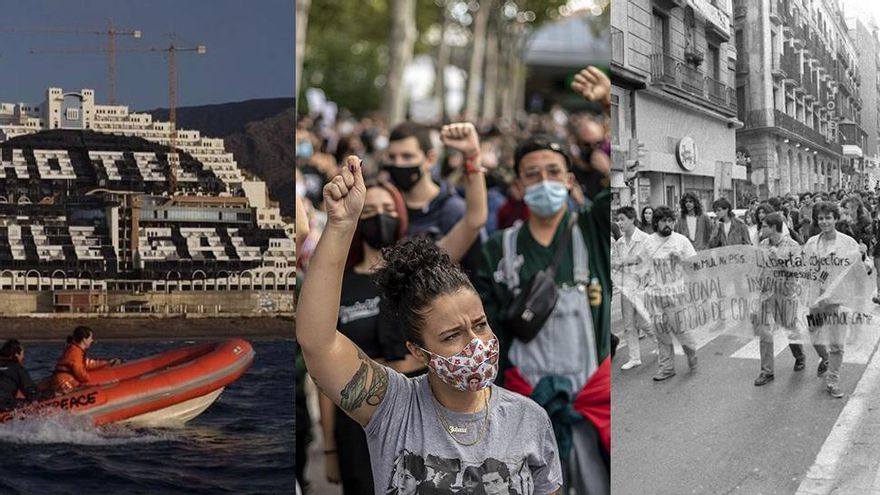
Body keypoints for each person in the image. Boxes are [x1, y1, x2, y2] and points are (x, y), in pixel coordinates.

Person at [296, 157, 562, 495]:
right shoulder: (392, 407)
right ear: (418, 352)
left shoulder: (530, 419)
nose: (475, 344)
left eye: (479, 325)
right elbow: (317, 342)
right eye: (451, 335)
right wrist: (341, 225)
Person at [318, 123, 488, 494]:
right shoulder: (340, 283)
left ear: (401, 214)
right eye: (369, 210)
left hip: (421, 409)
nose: (379, 215)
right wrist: (329, 447)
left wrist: (472, 157)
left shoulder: (418, 276)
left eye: (386, 208)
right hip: (360, 416)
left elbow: (474, 219)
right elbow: (321, 359)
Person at [476, 133, 609, 493]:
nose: (544, 181)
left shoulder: (594, 230)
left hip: (591, 408)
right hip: (524, 408)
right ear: (519, 186)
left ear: (569, 180)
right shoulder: (497, 249)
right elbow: (489, 337)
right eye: (533, 174)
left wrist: (603, 105)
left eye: (554, 171)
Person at [804, 202, 861, 398]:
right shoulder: (811, 243)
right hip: (816, 300)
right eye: (820, 218)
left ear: (835, 219)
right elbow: (804, 269)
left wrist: (863, 261)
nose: (824, 222)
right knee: (813, 334)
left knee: (837, 344)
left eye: (828, 217)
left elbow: (860, 268)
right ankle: (825, 359)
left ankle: (833, 380)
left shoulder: (848, 243)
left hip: (838, 301)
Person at [644, 206, 698, 381]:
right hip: (655, 295)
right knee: (661, 332)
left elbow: (695, 265)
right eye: (663, 221)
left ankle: (691, 353)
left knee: (680, 329)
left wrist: (681, 260)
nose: (667, 224)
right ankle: (666, 368)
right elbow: (641, 265)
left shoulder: (681, 241)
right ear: (656, 223)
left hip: (676, 294)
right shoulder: (648, 242)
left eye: (670, 221)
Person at [752, 213, 806, 386]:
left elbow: (798, 270)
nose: (762, 229)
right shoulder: (762, 244)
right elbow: (759, 266)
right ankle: (767, 371)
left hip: (784, 293)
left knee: (789, 327)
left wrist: (780, 259)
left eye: (765, 226)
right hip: (766, 292)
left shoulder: (792, 245)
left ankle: (799, 355)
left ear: (774, 227)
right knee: (764, 330)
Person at [612, 206, 652, 370]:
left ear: (632, 219)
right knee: (628, 324)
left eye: (622, 219)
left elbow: (644, 260)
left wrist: (622, 263)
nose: (619, 223)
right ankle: (634, 357)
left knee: (644, 322)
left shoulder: (645, 239)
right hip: (625, 286)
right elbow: (616, 262)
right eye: (617, 219)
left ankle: (663, 344)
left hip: (642, 286)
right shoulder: (619, 242)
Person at [48, 326, 121, 395]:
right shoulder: (75, 352)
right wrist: (86, 378)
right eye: (90, 338)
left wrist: (107, 363)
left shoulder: (76, 350)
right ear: (84, 339)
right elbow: (77, 368)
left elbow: (87, 364)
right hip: (64, 381)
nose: (92, 340)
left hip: (64, 380)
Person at [0, 339, 38, 412]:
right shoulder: (17, 368)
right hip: (4, 404)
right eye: (22, 354)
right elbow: (30, 391)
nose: (23, 357)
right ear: (16, 355)